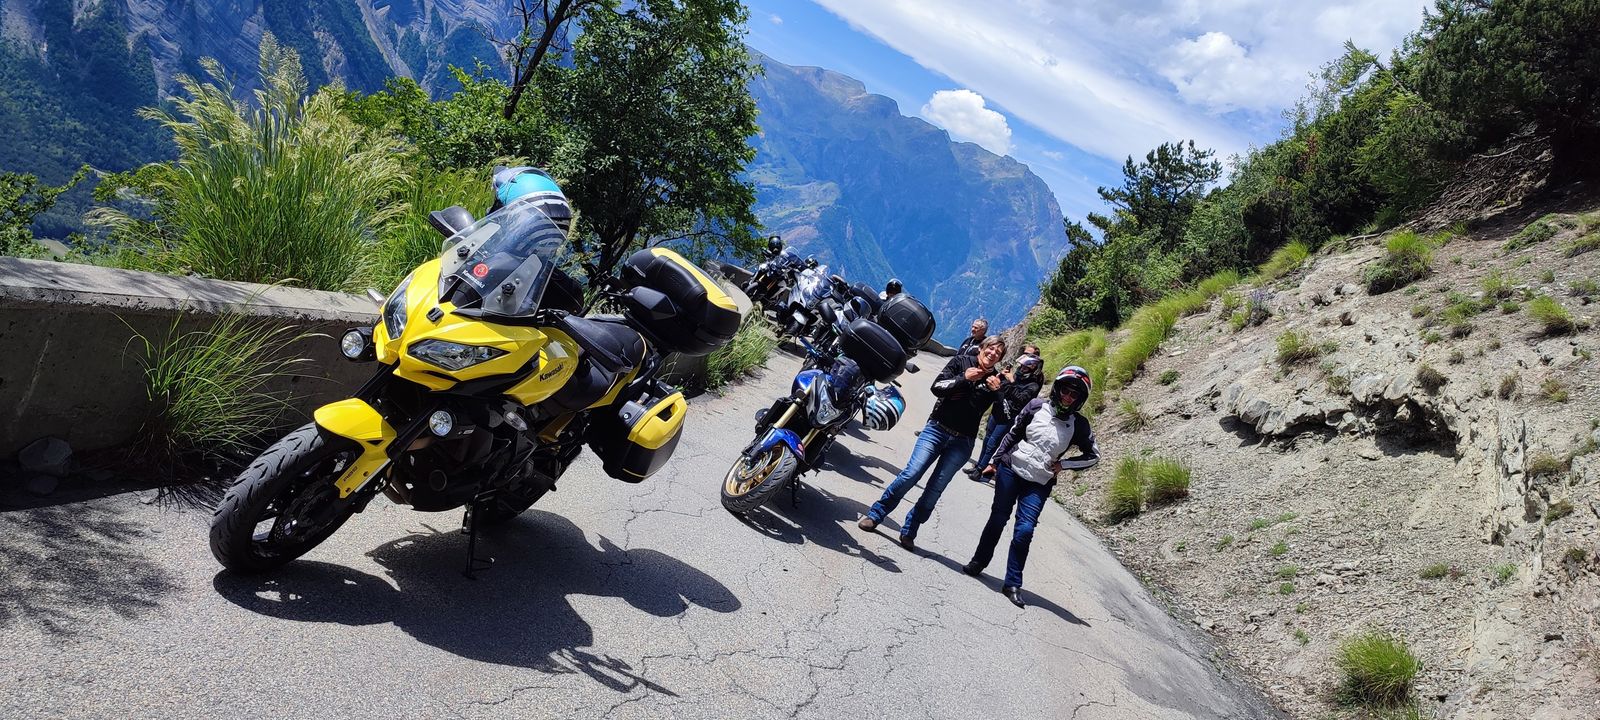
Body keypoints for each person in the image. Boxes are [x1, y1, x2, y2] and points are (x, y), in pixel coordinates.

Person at [963, 366, 1100, 607]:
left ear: (1080, 400)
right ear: (1058, 389)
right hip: (1010, 470)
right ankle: (979, 561)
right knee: (998, 518)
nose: (1068, 397)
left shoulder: (1078, 425)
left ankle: (1012, 583)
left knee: (1025, 530)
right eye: (1066, 391)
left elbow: (1094, 455)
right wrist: (994, 463)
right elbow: (1013, 433)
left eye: (1074, 395)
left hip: (1040, 481)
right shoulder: (1036, 406)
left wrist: (1064, 464)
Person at [859, 336, 1007, 549]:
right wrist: (963, 379)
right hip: (936, 429)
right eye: (990, 349)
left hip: (962, 442)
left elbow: (1003, 418)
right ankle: (876, 514)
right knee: (911, 473)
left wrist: (999, 392)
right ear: (982, 349)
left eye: (998, 353)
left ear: (999, 358)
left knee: (935, 489)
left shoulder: (996, 380)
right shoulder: (961, 362)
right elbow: (937, 387)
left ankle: (910, 530)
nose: (992, 354)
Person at [967, 344, 1043, 480]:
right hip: (999, 408)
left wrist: (1011, 381)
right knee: (987, 438)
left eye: (1028, 363)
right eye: (1023, 362)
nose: (1023, 367)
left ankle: (981, 470)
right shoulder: (1017, 372)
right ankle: (979, 465)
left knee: (994, 442)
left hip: (1011, 415)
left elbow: (1022, 399)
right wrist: (1002, 377)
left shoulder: (1035, 382)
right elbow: (1000, 386)